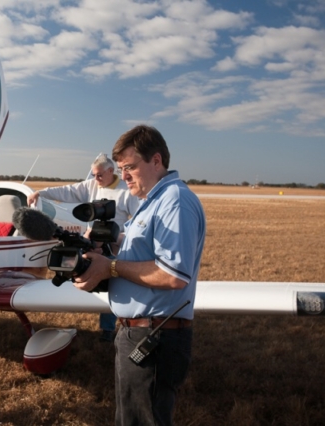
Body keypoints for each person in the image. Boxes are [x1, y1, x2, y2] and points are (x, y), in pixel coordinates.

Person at [73, 125, 206, 426]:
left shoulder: (175, 200)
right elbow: (143, 255)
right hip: (137, 334)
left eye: (130, 167)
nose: (125, 176)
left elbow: (173, 275)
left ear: (156, 161)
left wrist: (109, 267)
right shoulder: (151, 203)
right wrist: (108, 245)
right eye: (121, 169)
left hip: (154, 337)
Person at [27, 153, 138, 341]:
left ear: (111, 171)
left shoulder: (125, 191)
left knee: (112, 286)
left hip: (114, 247)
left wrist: (118, 238)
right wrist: (42, 193)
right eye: (94, 174)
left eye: (100, 175)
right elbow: (68, 191)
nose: (96, 178)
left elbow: (137, 221)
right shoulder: (91, 185)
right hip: (91, 244)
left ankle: (108, 330)